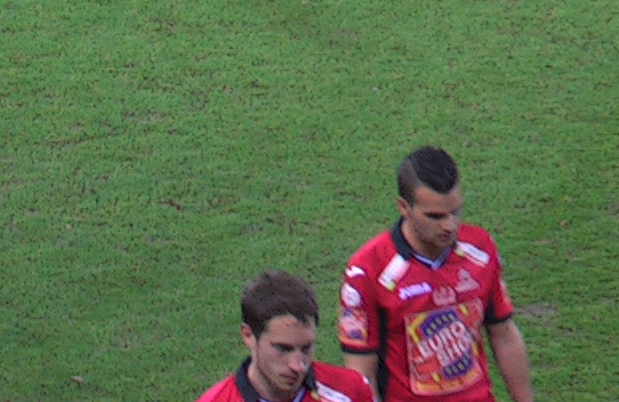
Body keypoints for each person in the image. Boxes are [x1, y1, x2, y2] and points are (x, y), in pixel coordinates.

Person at [338, 147, 535, 402]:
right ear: (404, 207)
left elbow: (504, 335)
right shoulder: (367, 270)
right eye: (435, 216)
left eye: (455, 212)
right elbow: (361, 375)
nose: (449, 225)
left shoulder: (480, 250)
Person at [194, 270, 373, 402]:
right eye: (283, 349)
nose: (298, 365)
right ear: (248, 335)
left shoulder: (350, 392)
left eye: (306, 348)